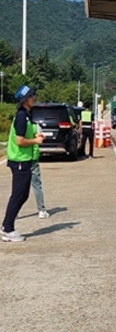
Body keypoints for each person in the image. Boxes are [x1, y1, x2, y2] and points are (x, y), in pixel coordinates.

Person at [1, 85, 44, 242]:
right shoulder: (21, 116)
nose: (34, 98)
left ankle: (7, 225)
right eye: (32, 96)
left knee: (23, 195)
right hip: (19, 160)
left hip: (24, 160)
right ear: (25, 100)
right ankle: (8, 229)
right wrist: (35, 140)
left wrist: (35, 135)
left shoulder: (27, 115)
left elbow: (25, 134)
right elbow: (19, 141)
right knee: (18, 195)